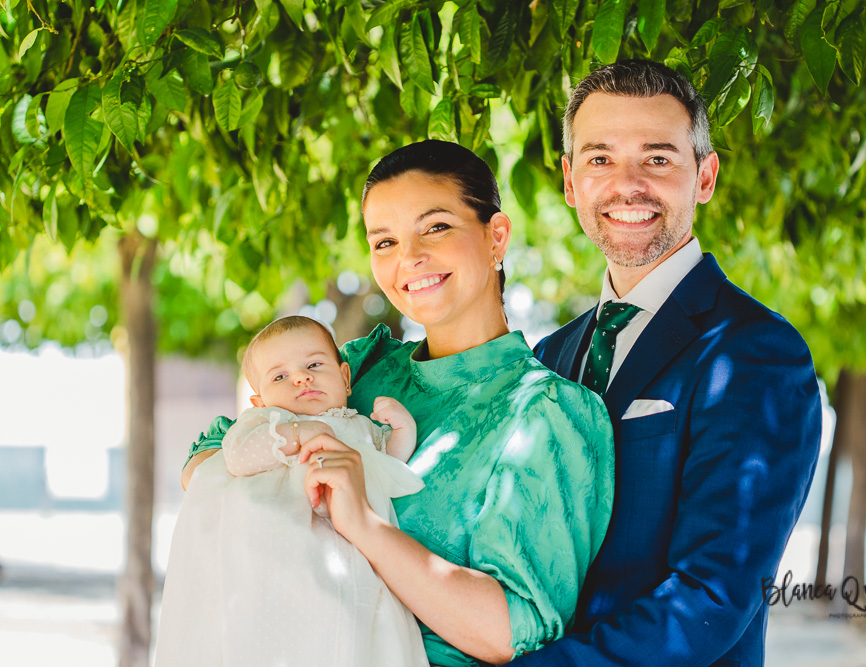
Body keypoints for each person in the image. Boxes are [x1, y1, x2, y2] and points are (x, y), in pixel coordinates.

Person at [180, 140, 616, 667]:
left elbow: (515, 633)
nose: (408, 258)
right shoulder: (362, 367)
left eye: (435, 227)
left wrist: (365, 524)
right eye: (384, 241)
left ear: (496, 236)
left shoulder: (548, 412)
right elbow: (208, 453)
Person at [513, 60, 823, 666]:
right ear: (570, 182)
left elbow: (708, 600)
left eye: (657, 158)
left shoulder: (757, 354)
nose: (627, 184)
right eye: (600, 159)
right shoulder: (549, 357)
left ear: (704, 176)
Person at [157, 315, 428, 667]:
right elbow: (238, 456)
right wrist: (300, 434)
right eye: (280, 376)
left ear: (345, 378)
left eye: (314, 364)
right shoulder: (268, 423)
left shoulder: (360, 427)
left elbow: (388, 466)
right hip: (283, 554)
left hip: (355, 561)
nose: (301, 377)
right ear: (260, 400)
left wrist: (402, 430)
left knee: (365, 634)